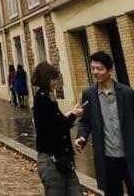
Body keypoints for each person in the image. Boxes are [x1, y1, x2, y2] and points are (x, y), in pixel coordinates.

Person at [76, 51, 134, 196]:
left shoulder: (127, 94)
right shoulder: (89, 94)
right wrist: (81, 137)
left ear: (109, 70)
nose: (96, 72)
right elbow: (85, 122)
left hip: (130, 156)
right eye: (93, 68)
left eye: (99, 69)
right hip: (107, 159)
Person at [32, 61, 83, 196]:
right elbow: (56, 128)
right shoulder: (43, 99)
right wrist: (73, 116)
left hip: (62, 160)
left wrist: (69, 114)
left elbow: (54, 122)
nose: (55, 82)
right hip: (52, 161)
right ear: (45, 78)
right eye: (53, 79)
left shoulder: (47, 98)